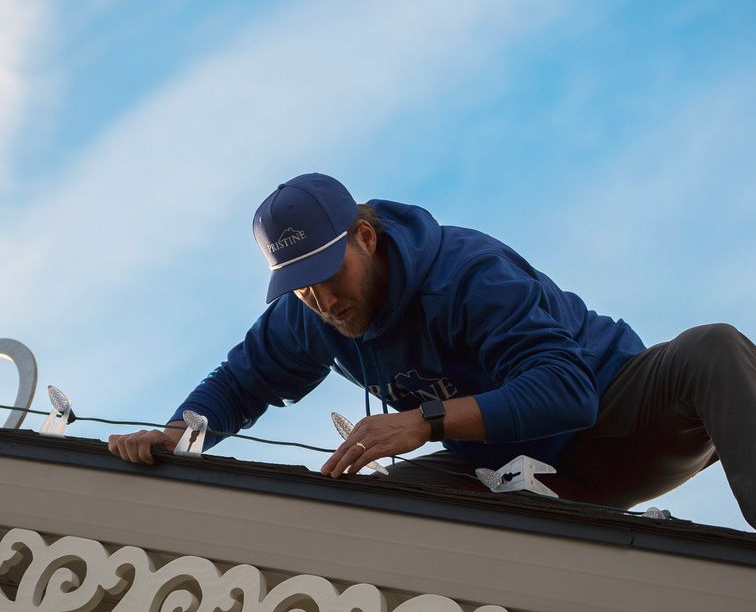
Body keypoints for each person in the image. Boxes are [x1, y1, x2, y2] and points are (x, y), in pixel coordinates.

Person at [108, 173, 756, 527]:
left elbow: (569, 391)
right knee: (378, 512)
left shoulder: (467, 274)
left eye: (329, 274)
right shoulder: (313, 312)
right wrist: (178, 435)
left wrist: (424, 422)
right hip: (510, 476)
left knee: (713, 348)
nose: (322, 300)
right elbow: (241, 383)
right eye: (300, 288)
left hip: (618, 427)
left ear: (364, 237)